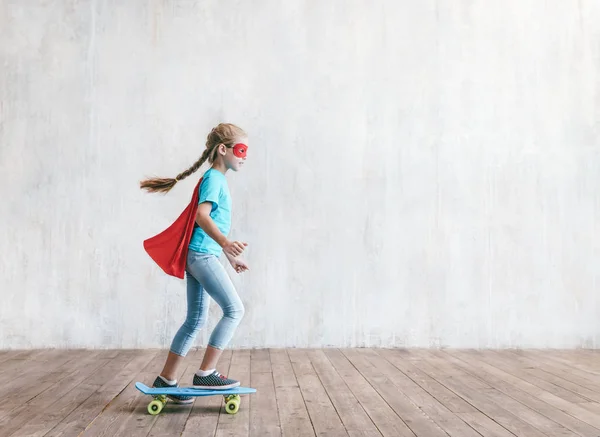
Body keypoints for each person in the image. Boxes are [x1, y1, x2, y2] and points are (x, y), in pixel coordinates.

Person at [140, 123, 250, 403]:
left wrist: (229, 254)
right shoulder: (215, 179)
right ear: (222, 150)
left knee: (195, 320)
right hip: (201, 255)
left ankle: (166, 379)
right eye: (241, 150)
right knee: (234, 309)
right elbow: (202, 216)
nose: (244, 156)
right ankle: (206, 373)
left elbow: (206, 226)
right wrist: (225, 244)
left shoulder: (215, 179)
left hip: (200, 254)